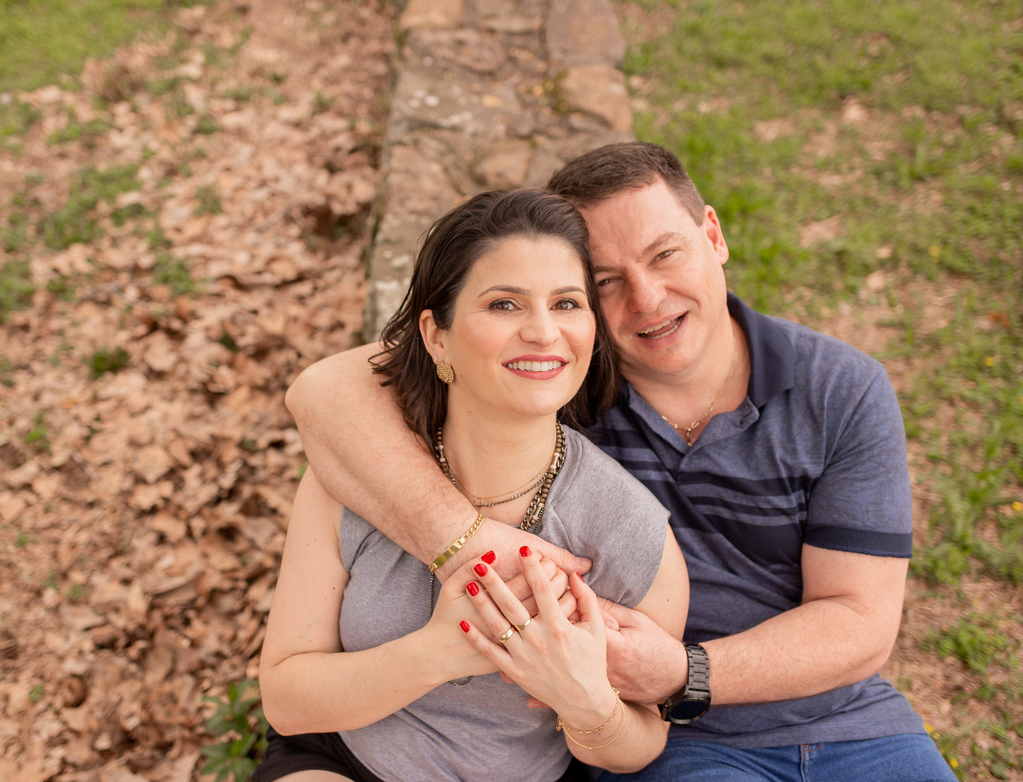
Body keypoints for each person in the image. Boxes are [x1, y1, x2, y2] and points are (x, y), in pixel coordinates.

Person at [285, 143, 957, 781]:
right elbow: (323, 393)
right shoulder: (560, 388)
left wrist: (682, 671)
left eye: (665, 254)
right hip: (683, 743)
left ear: (714, 235)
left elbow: (859, 622)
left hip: (843, 719)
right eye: (606, 282)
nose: (647, 298)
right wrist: (466, 543)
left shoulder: (839, 389)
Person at [256, 188, 689, 782]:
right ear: (436, 335)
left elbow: (641, 743)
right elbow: (285, 700)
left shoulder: (629, 527)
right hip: (342, 759)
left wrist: (587, 703)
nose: (543, 331)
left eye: (567, 303)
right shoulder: (355, 477)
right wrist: (438, 652)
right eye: (504, 304)